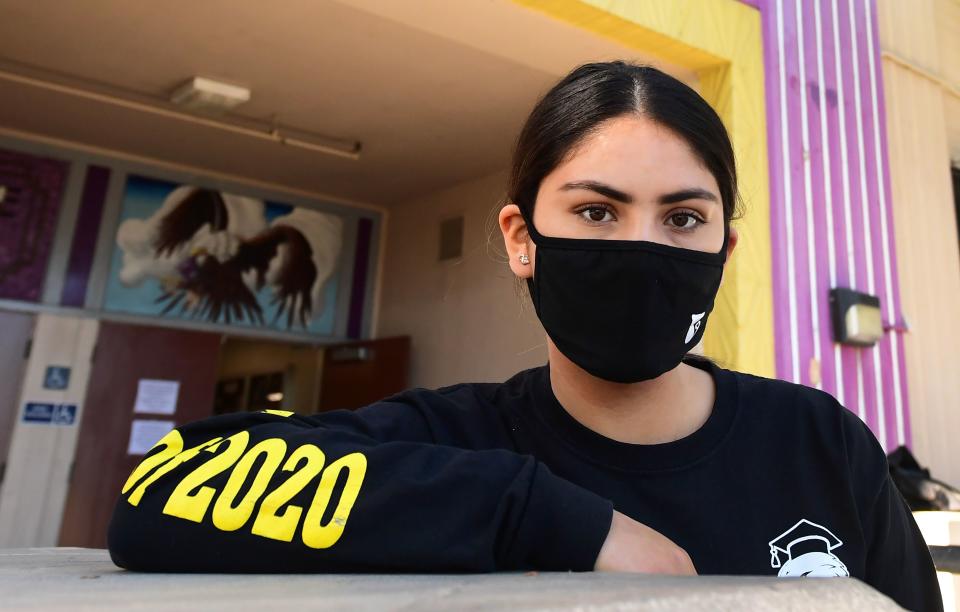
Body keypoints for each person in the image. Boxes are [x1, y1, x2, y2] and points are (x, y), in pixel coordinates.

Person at [108, 61, 942, 611]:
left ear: (724, 248)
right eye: (595, 211)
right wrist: (558, 522)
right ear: (520, 239)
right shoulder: (452, 439)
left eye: (683, 217)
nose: (639, 249)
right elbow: (164, 489)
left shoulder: (820, 440)